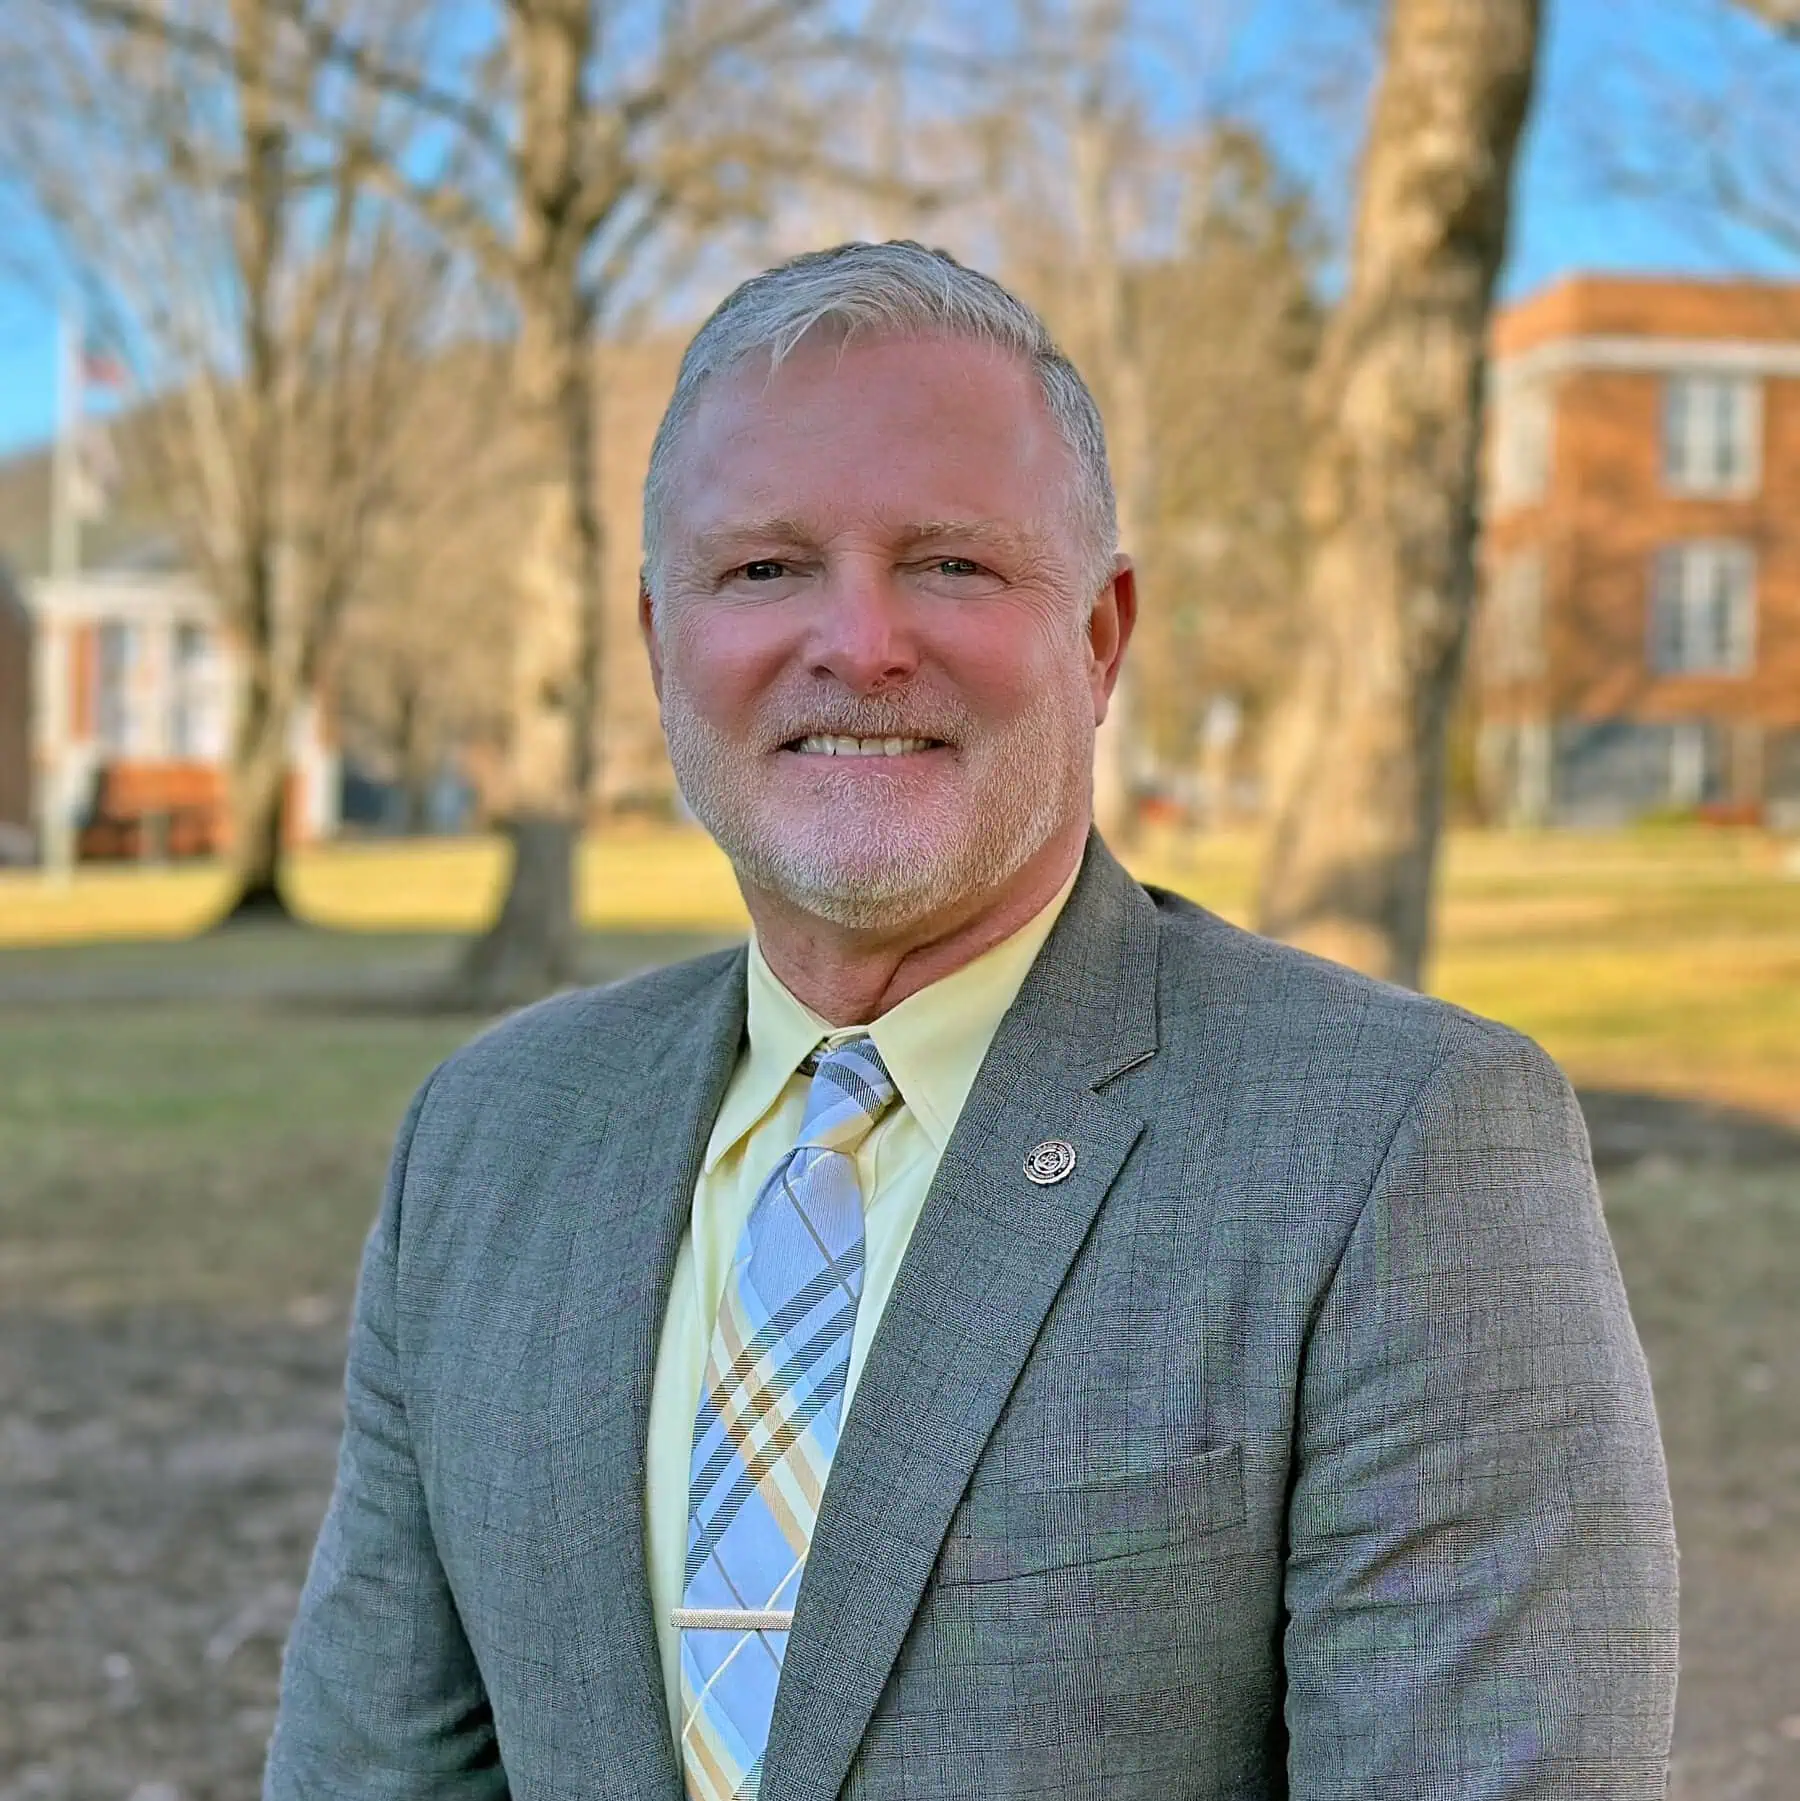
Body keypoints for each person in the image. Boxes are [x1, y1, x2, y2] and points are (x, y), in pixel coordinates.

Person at [264, 241, 1678, 1801]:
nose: (861, 642)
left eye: (952, 563)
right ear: (660, 637)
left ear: (1100, 636)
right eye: (763, 569)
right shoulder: (491, 1137)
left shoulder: (1400, 1146)